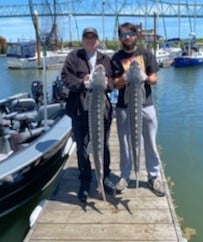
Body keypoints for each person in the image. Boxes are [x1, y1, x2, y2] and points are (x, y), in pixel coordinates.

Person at [111, 22, 165, 197]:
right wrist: (124, 78)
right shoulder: (116, 58)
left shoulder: (146, 53)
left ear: (136, 35)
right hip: (124, 107)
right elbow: (115, 84)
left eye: (130, 33)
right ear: (120, 38)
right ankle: (125, 177)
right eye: (123, 35)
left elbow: (154, 78)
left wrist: (145, 78)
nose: (127, 37)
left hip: (146, 104)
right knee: (125, 143)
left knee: (150, 141)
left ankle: (153, 176)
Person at [61, 27, 114, 202]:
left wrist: (108, 83)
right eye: (87, 37)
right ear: (82, 40)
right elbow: (66, 79)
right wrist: (82, 83)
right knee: (83, 150)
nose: (90, 40)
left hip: (101, 111)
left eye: (93, 37)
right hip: (79, 110)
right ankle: (85, 181)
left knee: (103, 145)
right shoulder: (73, 57)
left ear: (97, 40)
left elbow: (114, 81)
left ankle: (105, 177)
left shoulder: (105, 59)